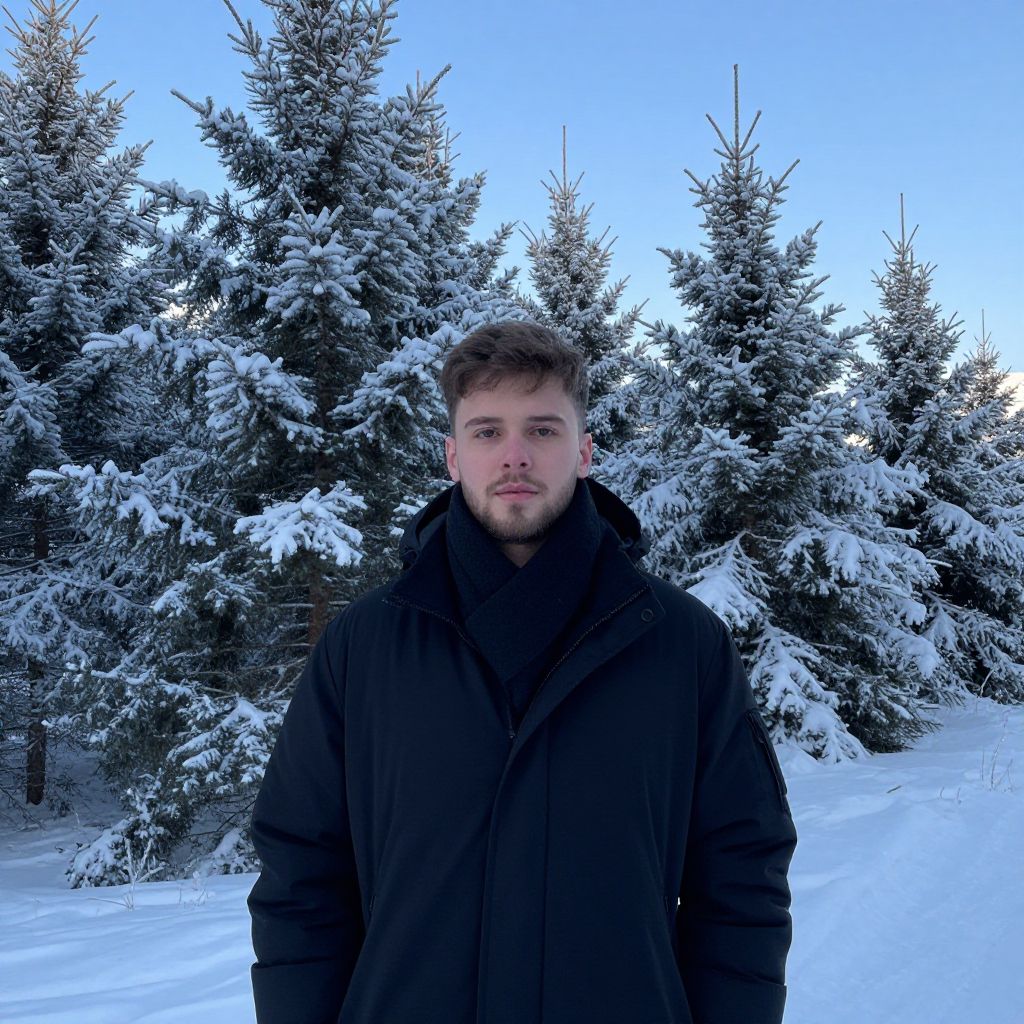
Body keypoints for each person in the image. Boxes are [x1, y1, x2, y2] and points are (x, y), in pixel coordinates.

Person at [247, 321, 798, 1024]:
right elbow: (302, 873)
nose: (515, 456)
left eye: (542, 430)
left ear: (585, 451)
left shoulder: (681, 644)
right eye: (485, 432)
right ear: (452, 456)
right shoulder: (364, 648)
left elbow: (742, 874)